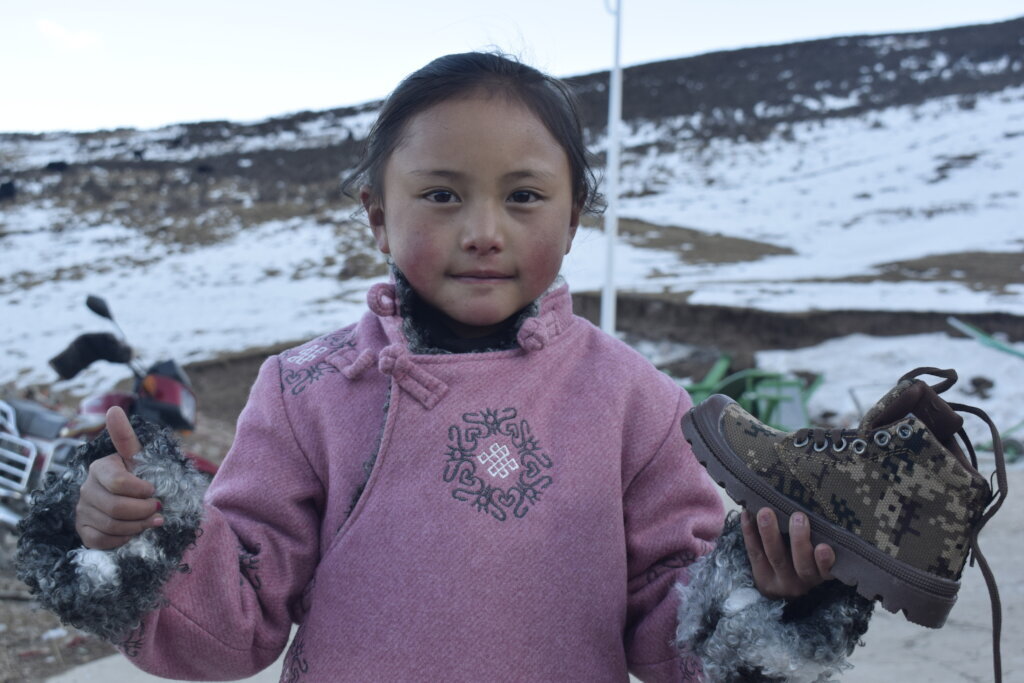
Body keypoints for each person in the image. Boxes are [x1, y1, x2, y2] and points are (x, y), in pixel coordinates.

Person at [18, 52, 872, 682]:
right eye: (441, 194)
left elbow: (670, 629)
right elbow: (233, 625)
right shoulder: (308, 391)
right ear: (377, 216)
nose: (484, 231)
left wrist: (764, 595)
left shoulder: (633, 401)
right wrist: (138, 534)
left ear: (574, 216)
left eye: (524, 196)